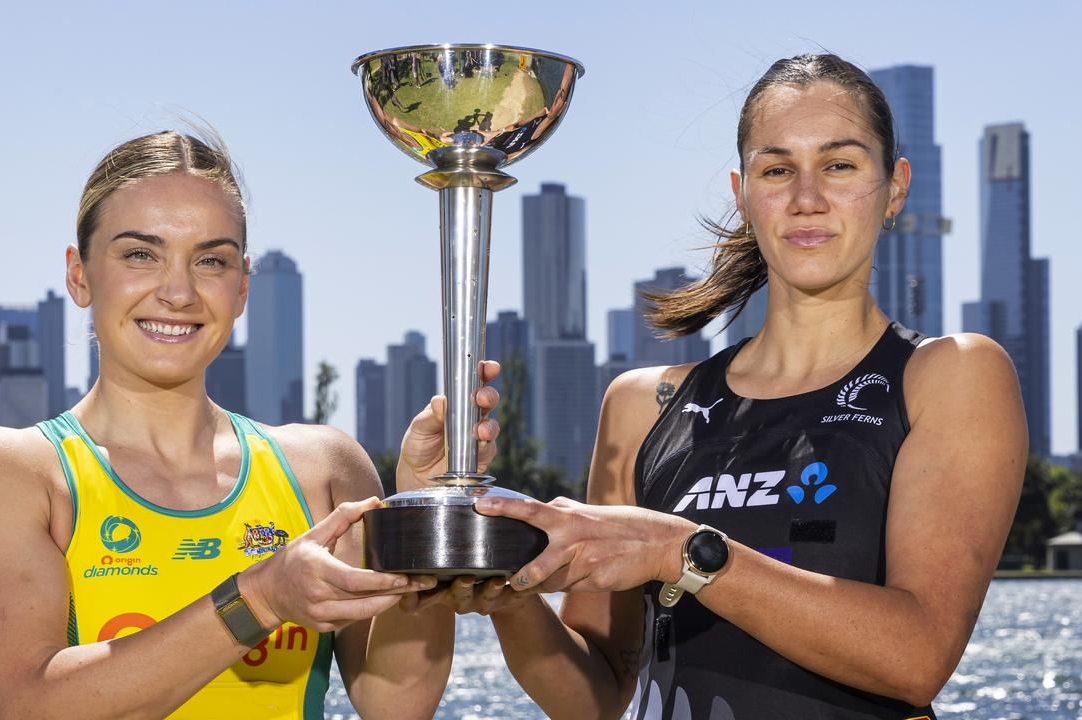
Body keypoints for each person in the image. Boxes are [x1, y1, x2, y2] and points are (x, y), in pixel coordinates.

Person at [436, 54, 1026, 719]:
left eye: (839, 165)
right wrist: (514, 590)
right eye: (777, 170)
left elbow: (917, 656)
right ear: (744, 196)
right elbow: (598, 699)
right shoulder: (642, 406)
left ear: (894, 188)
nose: (807, 197)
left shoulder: (947, 376)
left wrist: (677, 551)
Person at [0, 130, 499, 720]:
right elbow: (28, 705)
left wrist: (428, 515)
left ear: (243, 286)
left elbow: (396, 703)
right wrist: (261, 596)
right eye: (140, 254)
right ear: (79, 275)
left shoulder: (323, 469)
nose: (178, 292)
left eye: (211, 260)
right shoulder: (5, 472)